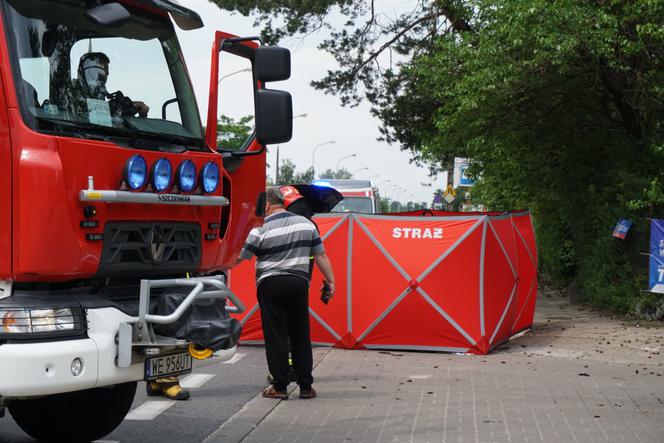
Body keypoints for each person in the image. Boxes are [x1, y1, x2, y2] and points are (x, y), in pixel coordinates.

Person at [237, 187, 336, 400]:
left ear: (266, 205)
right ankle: (306, 386)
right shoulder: (306, 224)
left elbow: (242, 256)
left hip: (270, 284)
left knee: (276, 335)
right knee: (301, 334)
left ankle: (279, 387)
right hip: (299, 283)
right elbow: (321, 255)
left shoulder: (260, 227)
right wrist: (330, 281)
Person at [73, 52, 149, 118]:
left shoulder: (101, 98)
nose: (107, 73)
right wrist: (114, 108)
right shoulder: (70, 96)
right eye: (104, 68)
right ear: (90, 70)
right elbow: (87, 115)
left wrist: (142, 113)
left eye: (107, 70)